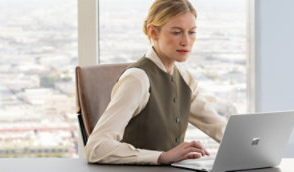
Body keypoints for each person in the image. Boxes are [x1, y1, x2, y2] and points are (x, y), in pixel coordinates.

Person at [85, 0, 227, 165]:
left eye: (192, 32)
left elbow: (216, 126)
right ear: (153, 32)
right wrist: (161, 157)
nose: (186, 41)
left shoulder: (184, 77)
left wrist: (252, 147)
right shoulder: (138, 79)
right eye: (176, 32)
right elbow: (96, 147)